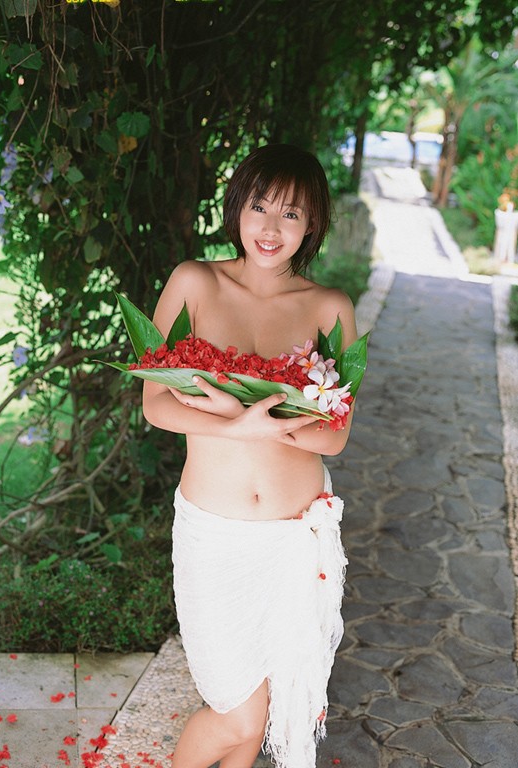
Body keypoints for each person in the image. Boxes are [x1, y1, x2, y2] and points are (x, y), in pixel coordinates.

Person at [142, 144, 358, 768]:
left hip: (294, 539)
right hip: (216, 535)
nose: (270, 227)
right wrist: (241, 424)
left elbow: (334, 436)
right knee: (235, 711)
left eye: (290, 214)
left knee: (259, 716)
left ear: (311, 225)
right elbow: (156, 404)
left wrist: (259, 423)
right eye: (259, 206)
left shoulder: (330, 307)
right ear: (237, 207)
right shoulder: (195, 282)